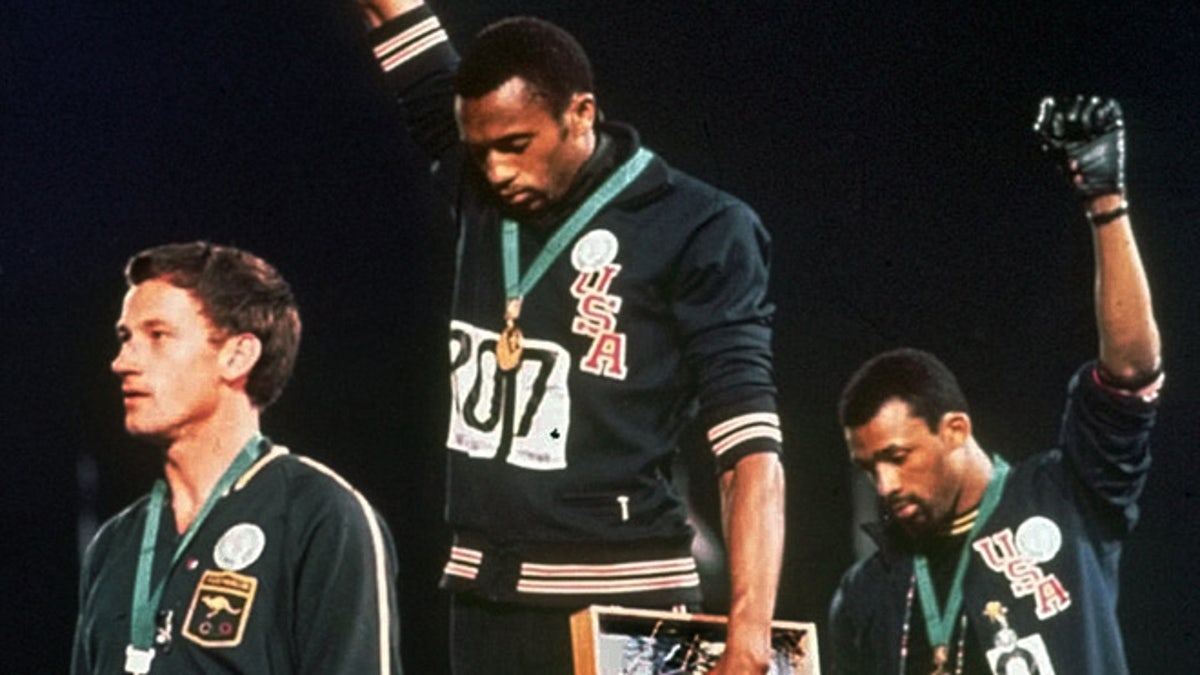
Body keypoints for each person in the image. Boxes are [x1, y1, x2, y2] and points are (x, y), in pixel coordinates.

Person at [354, 2, 787, 673]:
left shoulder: (701, 227)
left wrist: (749, 634)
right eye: (480, 150)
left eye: (516, 146)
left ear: (581, 114)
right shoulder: (479, 176)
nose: (495, 171)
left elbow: (748, 450)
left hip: (625, 601)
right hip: (484, 596)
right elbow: (393, 10)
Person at [828, 96, 1162, 674]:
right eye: (869, 468)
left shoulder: (1067, 496)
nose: (884, 485)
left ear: (955, 429)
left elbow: (1132, 372)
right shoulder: (865, 594)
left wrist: (1105, 204)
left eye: (898, 457)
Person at [71, 242, 403, 674]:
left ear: (238, 355)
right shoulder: (114, 543)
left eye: (157, 335)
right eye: (125, 338)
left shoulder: (321, 516)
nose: (121, 362)